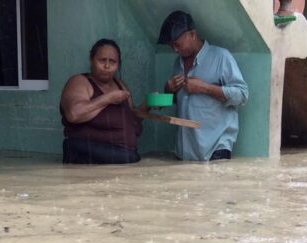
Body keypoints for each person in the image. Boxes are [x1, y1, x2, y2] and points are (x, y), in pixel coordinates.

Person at [158, 11, 248, 161]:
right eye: (171, 46)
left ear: (193, 35)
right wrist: (168, 89)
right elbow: (177, 102)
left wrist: (205, 88)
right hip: (185, 151)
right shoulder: (177, 64)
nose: (175, 50)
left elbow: (242, 95)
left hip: (216, 149)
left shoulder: (221, 57)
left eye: (177, 44)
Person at [60, 39, 143, 164]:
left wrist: (148, 105)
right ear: (91, 60)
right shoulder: (79, 81)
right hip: (89, 154)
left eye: (112, 62)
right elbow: (74, 114)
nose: (107, 66)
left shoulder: (120, 85)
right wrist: (108, 99)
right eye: (102, 60)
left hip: (124, 157)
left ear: (118, 64)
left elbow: (131, 119)